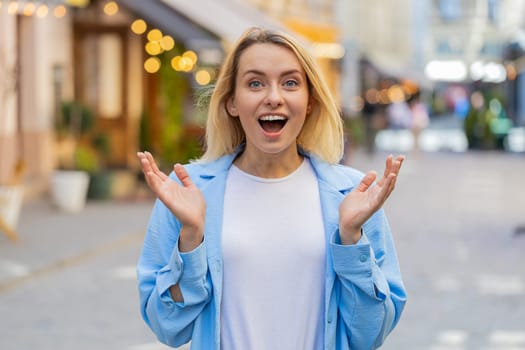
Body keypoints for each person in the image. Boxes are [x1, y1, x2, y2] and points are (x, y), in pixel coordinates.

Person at [136, 27, 406, 350]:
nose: (274, 97)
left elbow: (370, 334)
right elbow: (167, 327)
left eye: (290, 83)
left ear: (309, 102)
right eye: (255, 83)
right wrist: (191, 238)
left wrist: (351, 239)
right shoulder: (187, 194)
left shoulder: (353, 196)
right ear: (232, 102)